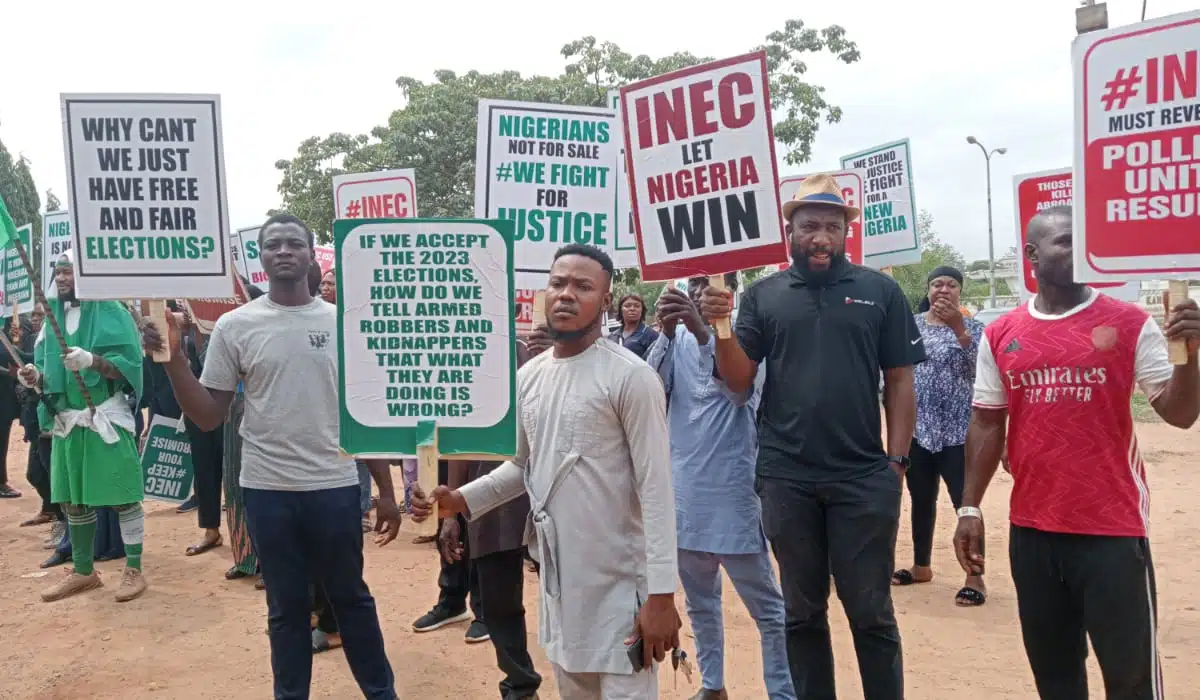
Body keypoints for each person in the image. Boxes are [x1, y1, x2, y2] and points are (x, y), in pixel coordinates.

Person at [143, 214, 412, 700]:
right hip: (267, 490)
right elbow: (208, 415)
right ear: (262, 257)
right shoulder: (235, 325)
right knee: (286, 610)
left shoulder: (346, 323)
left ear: (311, 254)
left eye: (294, 244)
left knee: (351, 599)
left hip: (334, 486)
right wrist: (176, 360)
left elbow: (365, 416)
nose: (283, 251)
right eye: (273, 245)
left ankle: (381, 692)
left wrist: (387, 493)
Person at [954, 205, 1200, 700]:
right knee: (1056, 678)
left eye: (1082, 241)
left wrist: (1191, 357)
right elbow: (985, 421)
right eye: (1065, 241)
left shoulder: (1129, 322)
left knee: (1130, 681)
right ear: (1031, 255)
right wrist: (969, 506)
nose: (1078, 251)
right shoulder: (1002, 333)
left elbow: (1179, 414)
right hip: (1033, 535)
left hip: (1111, 531)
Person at [699, 174, 924, 700]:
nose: (819, 236)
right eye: (808, 227)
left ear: (846, 231)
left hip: (865, 476)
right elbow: (737, 379)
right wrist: (722, 326)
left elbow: (900, 378)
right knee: (801, 613)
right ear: (790, 232)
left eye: (830, 226)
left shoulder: (880, 292)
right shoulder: (763, 296)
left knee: (870, 611)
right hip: (786, 478)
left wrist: (896, 463)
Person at [423, 243, 681, 700]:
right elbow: (522, 466)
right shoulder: (530, 377)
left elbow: (657, 491)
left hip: (621, 585)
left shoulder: (632, 378)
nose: (566, 294)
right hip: (559, 581)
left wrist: (661, 595)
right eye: (558, 283)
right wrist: (460, 500)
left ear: (605, 301)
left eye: (583, 286)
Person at [648, 276, 794, 700]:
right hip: (685, 500)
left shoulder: (747, 341)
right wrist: (667, 332)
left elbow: (739, 393)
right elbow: (651, 393)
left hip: (732, 499)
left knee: (768, 611)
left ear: (729, 292)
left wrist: (703, 332)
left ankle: (782, 693)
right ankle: (713, 686)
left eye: (707, 283)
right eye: (692, 285)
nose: (697, 293)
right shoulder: (675, 340)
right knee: (700, 604)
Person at [18, 250, 149, 603]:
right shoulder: (52, 320)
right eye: (58, 272)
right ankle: (83, 571)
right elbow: (50, 374)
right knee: (73, 501)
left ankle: (134, 568)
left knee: (123, 496)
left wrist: (93, 361)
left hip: (104, 414)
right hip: (67, 422)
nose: (61, 278)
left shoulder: (113, 312)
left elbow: (130, 367)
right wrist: (35, 377)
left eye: (69, 272)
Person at [438, 339, 543, 699]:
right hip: (490, 497)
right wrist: (451, 513)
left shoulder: (538, 356)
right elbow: (458, 438)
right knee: (500, 600)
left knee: (569, 598)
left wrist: (541, 357)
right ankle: (520, 684)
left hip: (552, 498)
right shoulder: (466, 357)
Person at [891, 266, 988, 606]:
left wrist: (959, 328)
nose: (943, 289)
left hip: (959, 433)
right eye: (937, 283)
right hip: (920, 431)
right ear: (928, 289)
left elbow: (979, 370)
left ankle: (975, 578)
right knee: (921, 500)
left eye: (951, 284)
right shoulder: (912, 327)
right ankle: (921, 567)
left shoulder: (976, 328)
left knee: (966, 505)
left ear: (960, 291)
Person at [222, 280, 264, 586]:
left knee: (260, 493)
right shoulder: (227, 331)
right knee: (235, 487)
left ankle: (267, 562)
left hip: (261, 412)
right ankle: (245, 558)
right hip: (233, 410)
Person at [0, 313, 24, 499]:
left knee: (2, 439)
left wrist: (16, 340)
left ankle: (1, 481)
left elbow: (15, 356)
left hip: (4, 396)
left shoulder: (5, 331)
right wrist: (10, 373)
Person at [608, 293, 658, 359]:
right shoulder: (612, 336)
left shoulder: (651, 335)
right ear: (620, 310)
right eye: (627, 306)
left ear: (642, 310)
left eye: (637, 306)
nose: (632, 309)